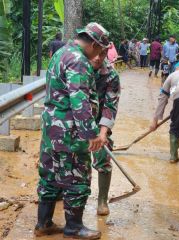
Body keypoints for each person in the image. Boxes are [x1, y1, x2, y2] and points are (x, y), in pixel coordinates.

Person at [35, 23, 110, 239]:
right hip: (70, 132)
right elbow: (80, 102)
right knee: (77, 178)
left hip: (52, 129)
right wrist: (92, 134)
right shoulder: (79, 61)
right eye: (100, 49)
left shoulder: (61, 53)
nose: (100, 54)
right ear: (94, 44)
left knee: (49, 174)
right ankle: (74, 227)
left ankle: (44, 223)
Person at [90, 49, 121, 216]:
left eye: (102, 54)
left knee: (103, 156)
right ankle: (59, 192)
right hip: (72, 122)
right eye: (94, 52)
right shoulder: (75, 66)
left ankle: (102, 199)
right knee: (66, 158)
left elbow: (111, 105)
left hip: (98, 122)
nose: (97, 58)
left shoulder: (111, 75)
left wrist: (103, 132)